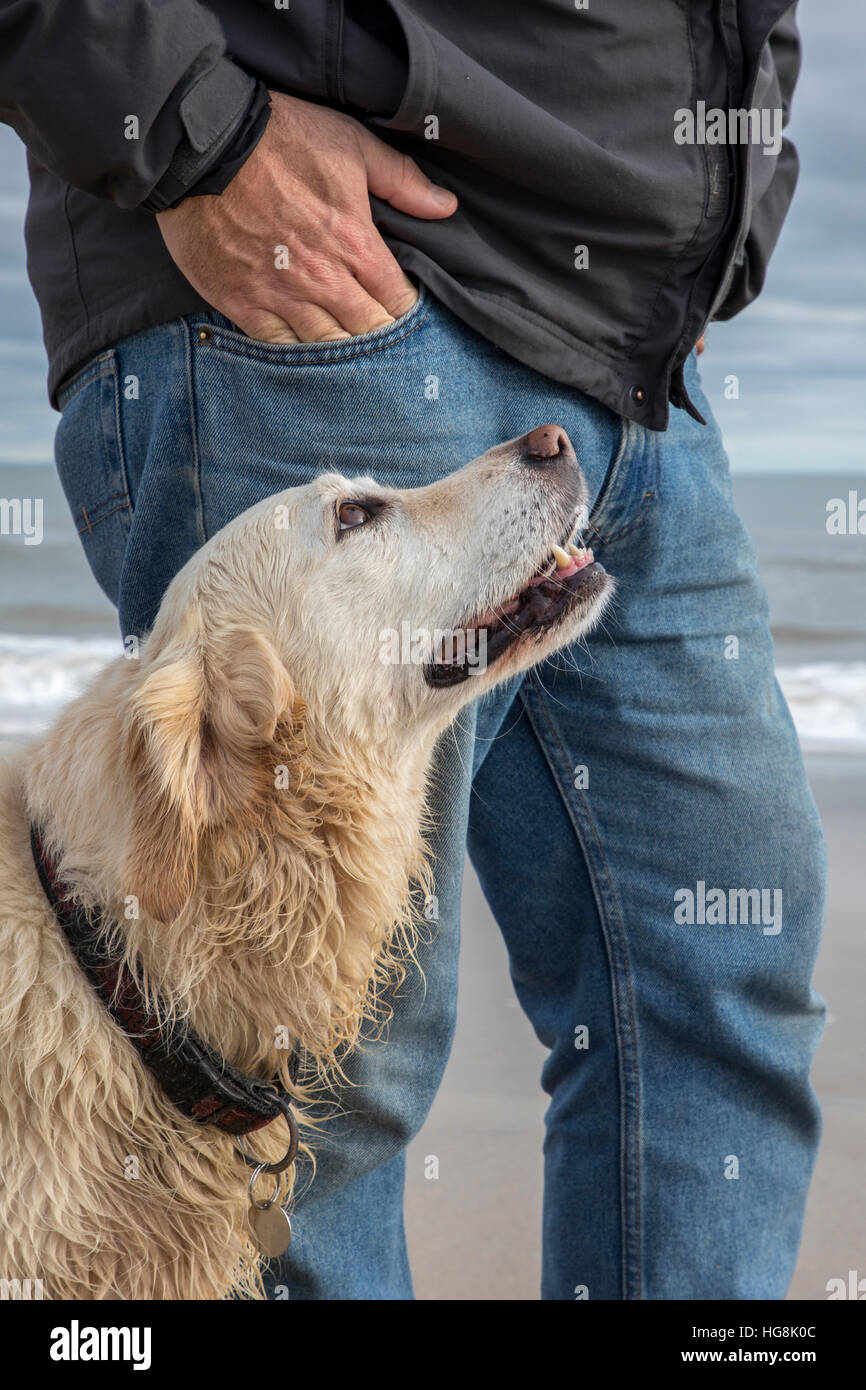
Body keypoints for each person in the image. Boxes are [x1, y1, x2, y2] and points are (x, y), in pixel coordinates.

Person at [1, 0, 825, 1300]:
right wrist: (196, 133)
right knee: (314, 1077)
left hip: (628, 344)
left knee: (717, 978)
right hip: (319, 287)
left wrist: (730, 204)